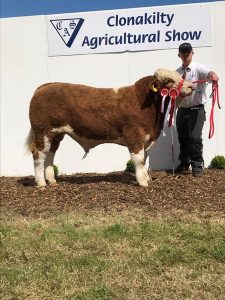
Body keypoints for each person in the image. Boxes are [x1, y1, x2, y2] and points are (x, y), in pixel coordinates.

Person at [175, 42, 219, 177]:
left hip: (197, 109)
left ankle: (197, 166)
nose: (186, 55)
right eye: (183, 52)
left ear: (192, 53)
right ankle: (184, 163)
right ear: (179, 55)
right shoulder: (177, 73)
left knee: (194, 138)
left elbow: (208, 72)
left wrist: (212, 75)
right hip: (182, 110)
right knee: (182, 138)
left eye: (188, 52)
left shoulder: (198, 68)